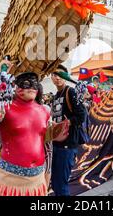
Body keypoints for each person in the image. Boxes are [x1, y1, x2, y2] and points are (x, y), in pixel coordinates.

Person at [50, 65, 86, 196]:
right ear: (52, 78)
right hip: (56, 143)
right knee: (55, 182)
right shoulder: (55, 96)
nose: (58, 77)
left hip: (67, 144)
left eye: (61, 75)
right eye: (55, 75)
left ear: (66, 77)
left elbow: (81, 115)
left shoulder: (70, 91)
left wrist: (65, 123)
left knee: (62, 182)